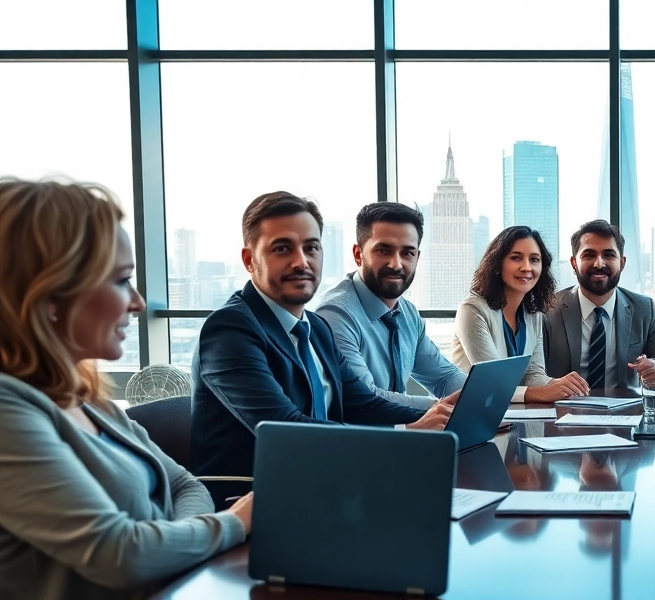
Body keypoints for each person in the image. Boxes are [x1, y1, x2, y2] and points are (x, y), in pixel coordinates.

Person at [0, 178, 248, 600]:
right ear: (48, 295)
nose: (137, 303)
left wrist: (174, 546)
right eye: (120, 281)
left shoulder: (87, 397)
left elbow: (186, 486)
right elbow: (118, 555)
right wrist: (236, 524)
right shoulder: (8, 411)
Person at [192, 192, 450, 506]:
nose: (301, 261)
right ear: (249, 260)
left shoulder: (316, 329)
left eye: (311, 247)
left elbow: (364, 404)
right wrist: (407, 434)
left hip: (324, 484)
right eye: (282, 248)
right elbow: (285, 427)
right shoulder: (229, 330)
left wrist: (444, 417)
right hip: (254, 502)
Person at [315, 201, 466, 408]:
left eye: (407, 253)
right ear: (359, 255)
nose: (396, 264)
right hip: (362, 437)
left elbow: (443, 377)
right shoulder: (336, 314)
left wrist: (481, 395)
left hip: (402, 433)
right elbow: (366, 399)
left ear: (417, 258)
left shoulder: (407, 312)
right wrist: (440, 408)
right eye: (383, 251)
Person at [544, 219, 655, 391]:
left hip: (625, 413)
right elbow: (530, 372)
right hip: (562, 412)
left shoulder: (643, 309)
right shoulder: (548, 310)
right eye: (589, 255)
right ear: (574, 263)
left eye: (609, 255)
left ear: (622, 263)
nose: (599, 264)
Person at [448, 226, 588, 403]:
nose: (527, 267)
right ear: (497, 264)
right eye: (516, 258)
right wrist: (541, 393)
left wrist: (559, 385)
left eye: (535, 259)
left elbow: (533, 374)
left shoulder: (534, 314)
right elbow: (492, 382)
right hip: (469, 411)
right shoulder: (473, 310)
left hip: (513, 415)